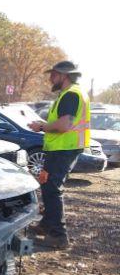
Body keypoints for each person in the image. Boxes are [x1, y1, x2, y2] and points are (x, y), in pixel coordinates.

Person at [28, 61, 90, 249]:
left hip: (64, 148)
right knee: (47, 183)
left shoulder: (71, 94)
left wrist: (42, 127)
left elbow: (64, 125)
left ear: (64, 75)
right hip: (59, 148)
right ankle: (47, 225)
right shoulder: (71, 93)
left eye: (53, 74)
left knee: (52, 187)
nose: (50, 78)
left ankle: (59, 236)